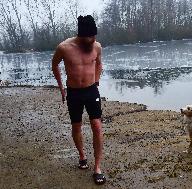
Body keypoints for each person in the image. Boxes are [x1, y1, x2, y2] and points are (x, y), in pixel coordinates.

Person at [52, 15, 106, 185]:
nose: (93, 40)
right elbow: (54, 65)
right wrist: (61, 88)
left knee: (97, 126)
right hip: (74, 92)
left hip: (91, 90)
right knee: (76, 126)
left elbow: (99, 63)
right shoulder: (64, 47)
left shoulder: (96, 46)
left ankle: (97, 167)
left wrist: (96, 80)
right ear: (81, 35)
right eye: (90, 37)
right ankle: (82, 156)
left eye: (95, 36)